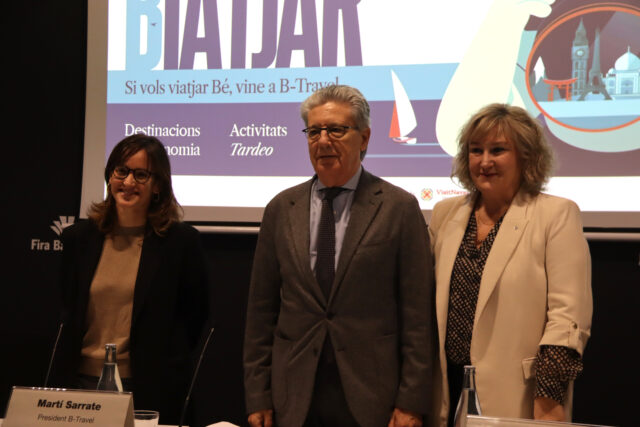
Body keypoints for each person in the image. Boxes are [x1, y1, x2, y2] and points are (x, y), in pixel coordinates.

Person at [243, 85, 436, 427]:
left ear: (364, 138)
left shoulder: (398, 208)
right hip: (295, 397)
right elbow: (261, 312)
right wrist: (258, 395)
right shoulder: (281, 209)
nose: (323, 141)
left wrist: (411, 401)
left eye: (336, 130)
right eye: (313, 131)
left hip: (372, 397)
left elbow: (418, 316)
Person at [429, 103, 592, 425]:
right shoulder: (445, 214)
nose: (484, 161)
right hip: (444, 392)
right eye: (476, 150)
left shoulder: (556, 215)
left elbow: (567, 319)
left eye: (498, 150)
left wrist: (548, 399)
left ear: (527, 156)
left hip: (520, 396)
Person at [55, 134, 210, 425]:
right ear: (109, 175)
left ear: (158, 185)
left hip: (149, 387)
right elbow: (67, 307)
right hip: (80, 384)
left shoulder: (180, 243)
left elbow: (194, 316)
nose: (128, 182)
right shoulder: (79, 239)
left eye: (140, 175)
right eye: (121, 171)